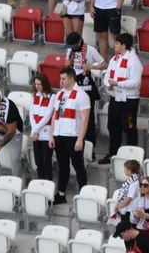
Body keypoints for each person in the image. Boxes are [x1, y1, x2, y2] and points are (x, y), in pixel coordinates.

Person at [49, 67, 91, 204]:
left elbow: (85, 119)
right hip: (60, 134)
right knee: (62, 166)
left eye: (63, 79)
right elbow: (56, 116)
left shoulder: (82, 95)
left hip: (73, 136)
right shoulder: (60, 94)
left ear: (71, 79)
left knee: (78, 165)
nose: (60, 81)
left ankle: (83, 194)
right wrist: (52, 135)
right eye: (60, 78)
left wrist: (80, 139)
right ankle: (61, 194)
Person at [105, 32, 141, 158]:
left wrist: (118, 84)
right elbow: (107, 76)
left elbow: (136, 82)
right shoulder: (115, 59)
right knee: (112, 126)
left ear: (124, 45)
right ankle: (112, 154)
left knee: (129, 127)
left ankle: (133, 157)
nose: (114, 45)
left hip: (129, 102)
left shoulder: (134, 61)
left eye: (117, 43)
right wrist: (108, 84)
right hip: (115, 98)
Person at [27, 73, 54, 180]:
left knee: (46, 161)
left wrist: (36, 130)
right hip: (36, 133)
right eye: (36, 84)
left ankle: (48, 184)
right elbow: (31, 113)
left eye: (39, 84)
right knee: (38, 162)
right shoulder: (34, 96)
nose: (37, 86)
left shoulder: (52, 96)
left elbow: (48, 116)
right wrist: (35, 131)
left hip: (46, 133)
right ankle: (40, 183)